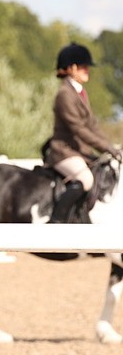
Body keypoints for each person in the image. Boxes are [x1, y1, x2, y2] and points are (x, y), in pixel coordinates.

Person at [45, 43, 121, 223]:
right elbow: (78, 128)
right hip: (63, 152)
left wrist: (112, 147)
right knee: (86, 179)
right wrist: (107, 148)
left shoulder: (79, 92)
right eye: (83, 66)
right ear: (71, 68)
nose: (87, 70)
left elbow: (92, 126)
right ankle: (55, 222)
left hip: (78, 151)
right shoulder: (64, 94)